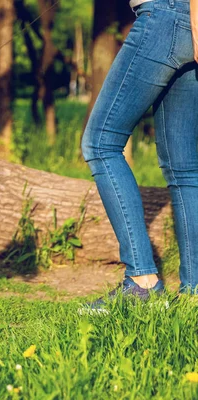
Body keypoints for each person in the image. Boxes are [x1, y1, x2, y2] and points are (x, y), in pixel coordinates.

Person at [81, 0, 198, 312]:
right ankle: (193, 294)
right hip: (184, 20)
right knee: (183, 167)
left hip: (165, 18)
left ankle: (142, 283)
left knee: (100, 143)